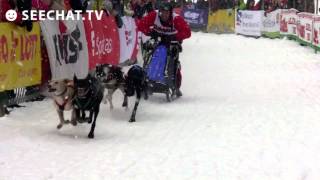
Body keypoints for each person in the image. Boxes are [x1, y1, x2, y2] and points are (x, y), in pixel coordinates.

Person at [137, 2, 191, 96]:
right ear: (159, 12)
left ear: (170, 12)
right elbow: (141, 25)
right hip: (158, 39)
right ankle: (149, 76)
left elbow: (187, 32)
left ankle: (174, 84)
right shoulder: (154, 15)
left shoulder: (176, 19)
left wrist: (175, 37)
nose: (164, 15)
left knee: (172, 60)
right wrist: (150, 32)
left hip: (172, 42)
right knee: (153, 53)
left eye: (167, 12)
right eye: (162, 12)